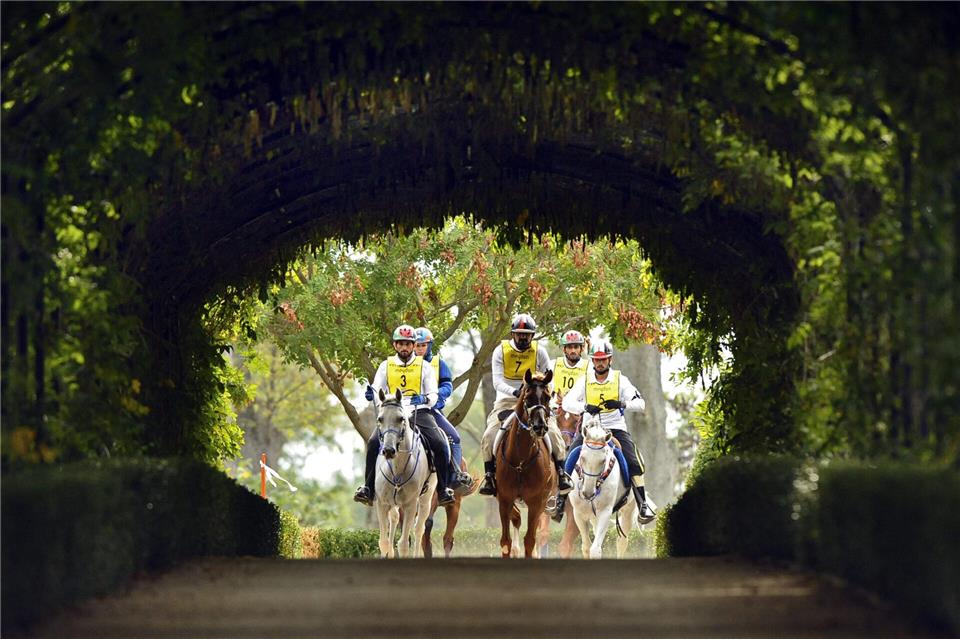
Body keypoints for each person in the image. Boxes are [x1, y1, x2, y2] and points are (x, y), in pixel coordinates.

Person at [553, 339, 655, 524]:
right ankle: (559, 502)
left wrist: (622, 404)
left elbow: (641, 404)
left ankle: (643, 506)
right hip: (590, 431)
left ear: (610, 360)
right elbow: (567, 403)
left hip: (615, 429)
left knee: (633, 461)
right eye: (597, 359)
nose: (600, 363)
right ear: (592, 361)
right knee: (570, 458)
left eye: (604, 359)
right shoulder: (585, 380)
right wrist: (585, 406)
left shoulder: (620, 380)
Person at [354, 324, 456, 507]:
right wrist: (373, 395)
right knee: (372, 443)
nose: (404, 347)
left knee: (440, 443)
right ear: (394, 345)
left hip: (420, 411)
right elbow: (377, 389)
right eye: (400, 343)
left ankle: (444, 489)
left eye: (408, 344)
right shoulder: (386, 366)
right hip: (393, 412)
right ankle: (367, 489)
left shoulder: (424, 366)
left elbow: (433, 395)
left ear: (413, 345)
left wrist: (423, 398)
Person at [478, 313, 573, 496]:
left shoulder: (540, 351)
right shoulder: (500, 351)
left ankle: (562, 474)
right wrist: (516, 392)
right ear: (513, 334)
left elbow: (549, 379)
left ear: (532, 335)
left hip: (535, 400)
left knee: (554, 434)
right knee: (489, 435)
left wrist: (542, 393)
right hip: (507, 400)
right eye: (519, 333)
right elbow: (497, 382)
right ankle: (489, 476)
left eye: (527, 334)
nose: (523, 337)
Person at [414, 326, 473, 493]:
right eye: (416, 345)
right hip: (408, 410)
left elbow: (447, 385)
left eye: (422, 345)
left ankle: (454, 475)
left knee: (454, 437)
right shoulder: (405, 365)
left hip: (431, 410)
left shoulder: (438, 363)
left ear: (429, 346)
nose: (419, 349)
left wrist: (436, 394)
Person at [551, 329, 588, 403]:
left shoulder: (589, 367)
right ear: (564, 349)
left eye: (576, 347)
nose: (573, 351)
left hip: (578, 410)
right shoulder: (553, 364)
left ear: (582, 349)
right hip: (555, 408)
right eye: (569, 347)